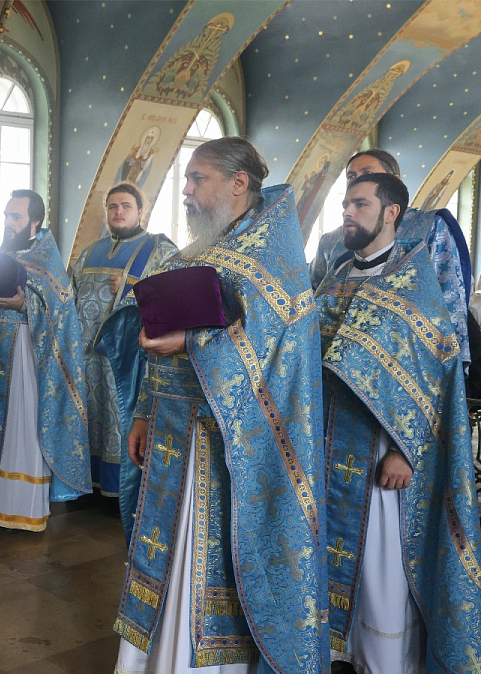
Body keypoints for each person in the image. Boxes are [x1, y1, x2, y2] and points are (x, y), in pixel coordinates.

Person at [115, 138, 328, 672]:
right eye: (187, 179)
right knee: (168, 551)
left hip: (228, 447)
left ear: (238, 183)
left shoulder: (273, 260)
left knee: (204, 553)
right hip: (172, 432)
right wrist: (144, 411)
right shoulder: (200, 250)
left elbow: (270, 348)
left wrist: (190, 342)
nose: (186, 190)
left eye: (197, 178)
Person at [317, 172, 481, 672]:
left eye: (360, 204)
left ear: (391, 213)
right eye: (345, 204)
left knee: (380, 566)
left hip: (380, 451)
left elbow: (436, 378)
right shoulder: (335, 275)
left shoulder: (414, 282)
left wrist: (404, 451)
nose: (348, 213)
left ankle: (383, 659)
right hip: (324, 442)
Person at [0, 189, 90, 531]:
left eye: (16, 216)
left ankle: (17, 505)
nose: (8, 222)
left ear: (35, 221)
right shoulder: (2, 254)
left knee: (19, 426)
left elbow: (62, 314)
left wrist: (25, 305)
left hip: (22, 356)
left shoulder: (47, 263)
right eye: (6, 215)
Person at [70, 183, 176, 535]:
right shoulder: (89, 252)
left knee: (121, 417)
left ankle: (121, 491)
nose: (118, 212)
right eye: (112, 206)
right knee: (91, 417)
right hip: (86, 357)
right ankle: (87, 485)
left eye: (126, 206)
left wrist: (133, 289)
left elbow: (173, 296)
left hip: (128, 358)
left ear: (140, 211)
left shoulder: (159, 249)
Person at [309, 149, 472, 370]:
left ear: (394, 181)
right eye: (351, 176)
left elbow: (448, 298)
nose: (357, 180)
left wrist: (448, 366)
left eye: (367, 172)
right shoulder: (332, 240)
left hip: (405, 359)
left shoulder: (429, 226)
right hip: (334, 360)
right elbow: (315, 293)